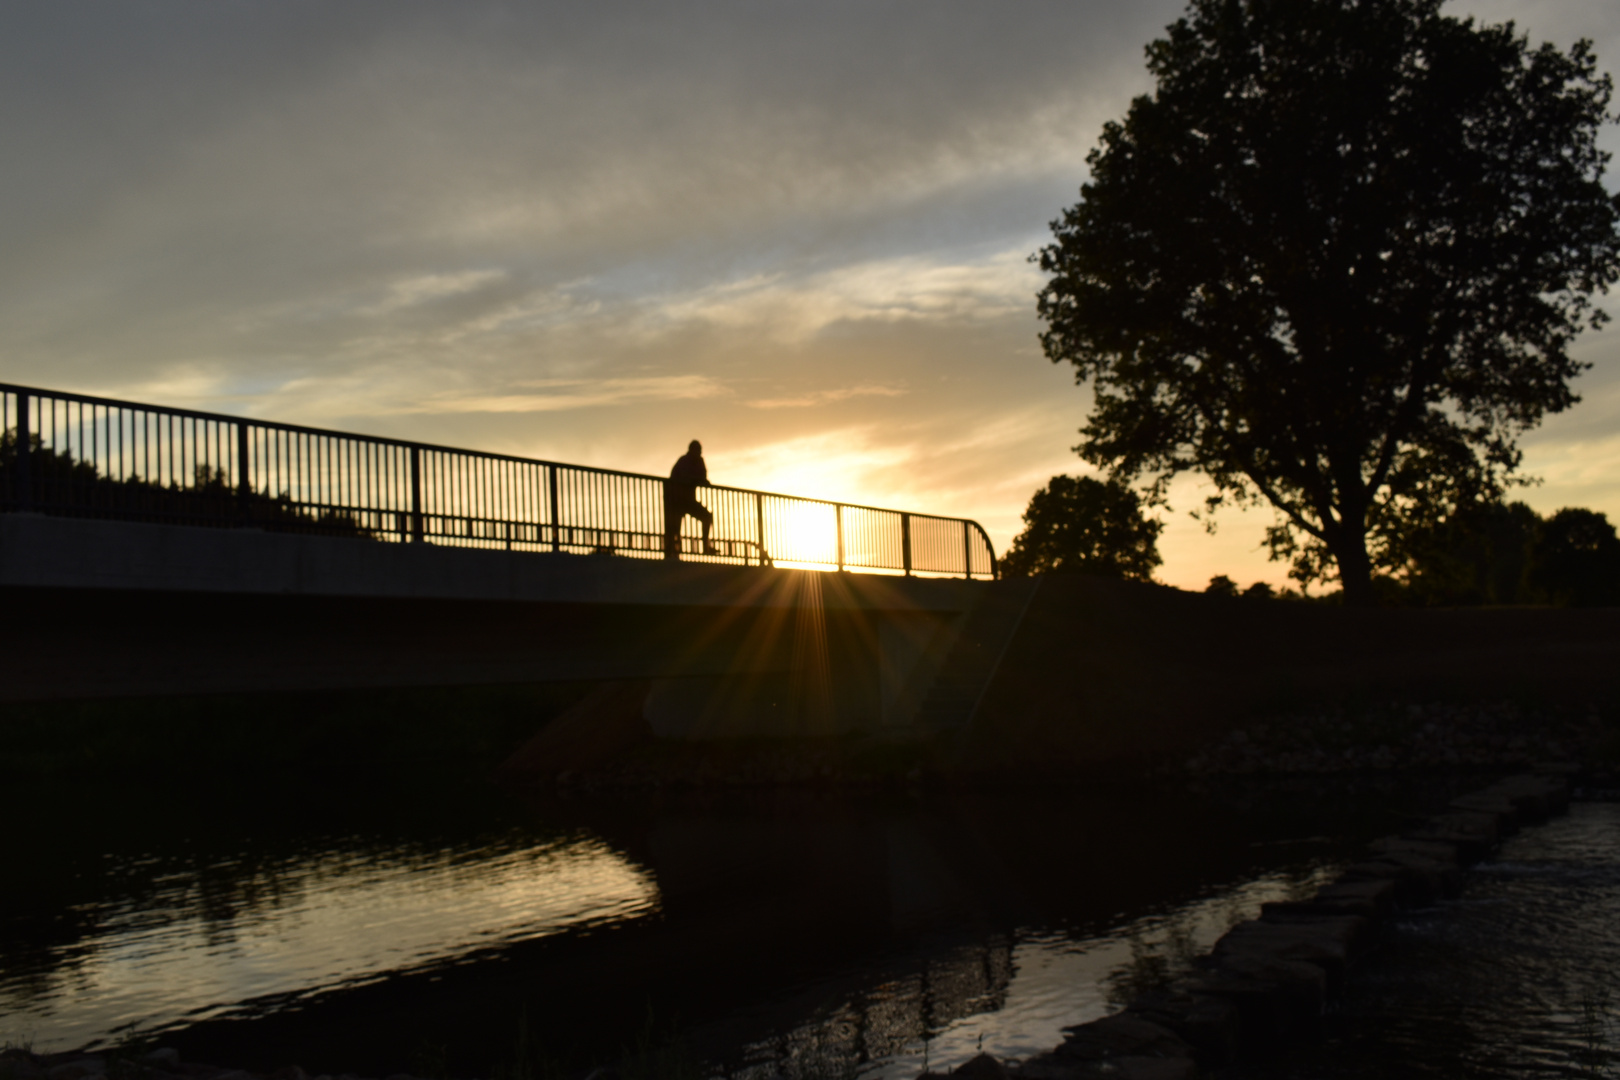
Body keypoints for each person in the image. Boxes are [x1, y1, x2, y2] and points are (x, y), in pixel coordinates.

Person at [665, 439, 715, 558]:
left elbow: (703, 477)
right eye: (697, 450)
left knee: (707, 517)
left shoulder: (699, 461)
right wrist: (696, 479)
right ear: (691, 450)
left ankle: (706, 547)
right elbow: (686, 478)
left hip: (689, 501)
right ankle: (673, 552)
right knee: (675, 527)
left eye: (700, 451)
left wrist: (698, 479)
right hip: (675, 501)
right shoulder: (684, 461)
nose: (699, 453)